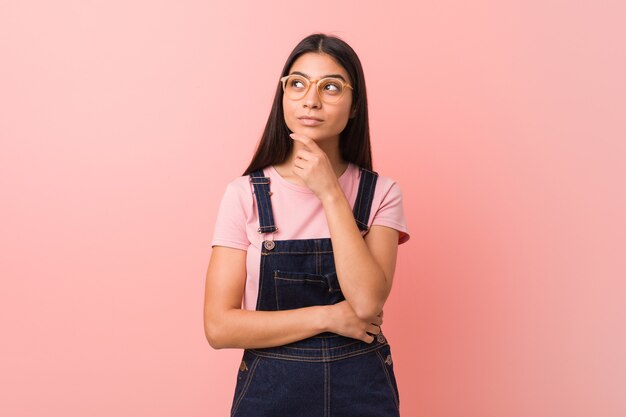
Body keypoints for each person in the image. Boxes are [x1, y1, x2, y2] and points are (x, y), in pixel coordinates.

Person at [203, 33, 410, 417]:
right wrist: (328, 317)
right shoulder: (244, 194)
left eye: (330, 87)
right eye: (297, 84)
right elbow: (219, 327)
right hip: (270, 394)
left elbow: (366, 303)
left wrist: (330, 192)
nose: (310, 99)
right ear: (283, 95)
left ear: (353, 107)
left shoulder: (381, 192)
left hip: (361, 394)